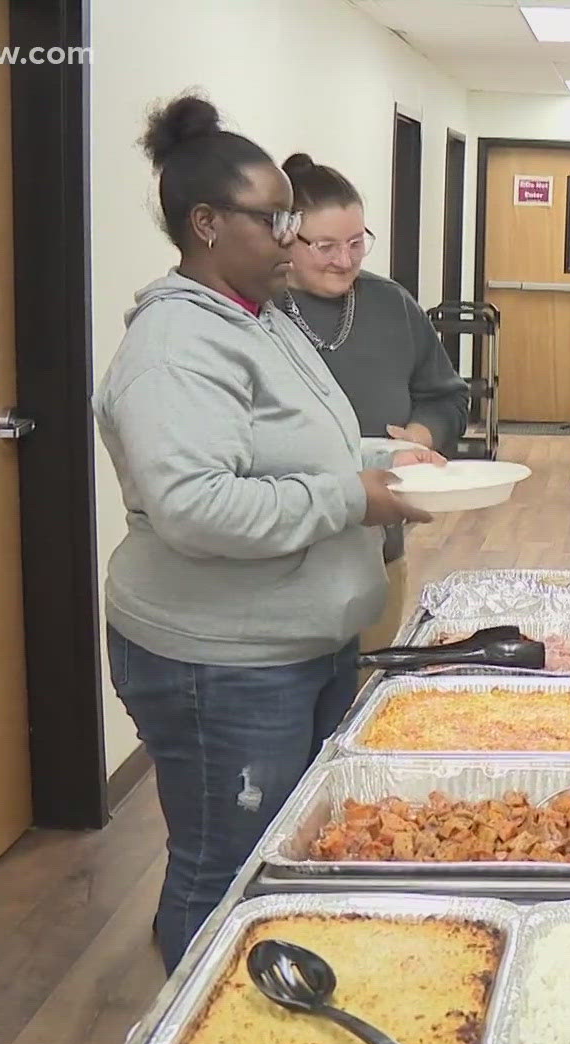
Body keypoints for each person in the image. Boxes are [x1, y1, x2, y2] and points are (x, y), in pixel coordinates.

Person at [95, 95, 437, 971]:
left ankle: (262, 1016)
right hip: (224, 663)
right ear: (206, 224)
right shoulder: (176, 347)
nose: (293, 238)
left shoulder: (260, 316)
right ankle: (196, 1039)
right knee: (224, 870)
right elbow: (199, 507)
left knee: (286, 851)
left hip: (298, 641)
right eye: (274, 218)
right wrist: (356, 498)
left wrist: (381, 460)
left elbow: (299, 447)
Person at [278, 152, 471, 650]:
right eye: (324, 245)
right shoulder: (258, 311)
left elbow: (445, 397)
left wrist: (420, 438)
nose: (345, 260)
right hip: (281, 570)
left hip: (378, 555)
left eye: (356, 243)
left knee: (367, 699)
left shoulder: (390, 305)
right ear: (284, 235)